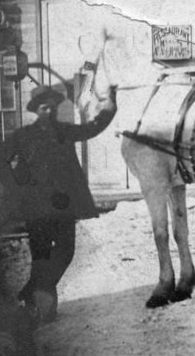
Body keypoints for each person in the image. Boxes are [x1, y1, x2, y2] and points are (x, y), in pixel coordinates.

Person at [6, 84, 115, 323]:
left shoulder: (64, 131)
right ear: (37, 110)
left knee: (66, 252)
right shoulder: (21, 136)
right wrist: (15, 184)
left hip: (63, 206)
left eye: (53, 108)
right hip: (36, 208)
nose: (50, 112)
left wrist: (110, 107)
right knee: (42, 258)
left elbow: (92, 128)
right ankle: (45, 310)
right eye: (45, 107)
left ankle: (33, 293)